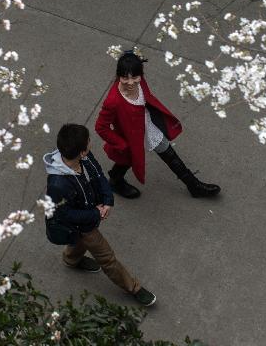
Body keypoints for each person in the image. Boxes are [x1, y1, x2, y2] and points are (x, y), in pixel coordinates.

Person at [44, 123, 156, 306]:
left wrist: (107, 200)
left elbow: (98, 176)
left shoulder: (85, 159)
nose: (90, 143)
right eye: (88, 142)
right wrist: (95, 214)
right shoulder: (58, 185)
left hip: (88, 216)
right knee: (107, 258)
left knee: (79, 241)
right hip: (84, 224)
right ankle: (133, 288)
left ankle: (71, 259)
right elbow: (64, 215)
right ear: (81, 152)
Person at [95, 51, 220, 199]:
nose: (130, 83)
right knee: (128, 159)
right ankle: (115, 180)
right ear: (118, 76)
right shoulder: (113, 101)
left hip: (147, 125)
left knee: (168, 153)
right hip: (129, 136)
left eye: (134, 77)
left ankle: (193, 185)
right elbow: (100, 127)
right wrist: (122, 144)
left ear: (140, 74)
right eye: (124, 78)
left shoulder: (140, 81)